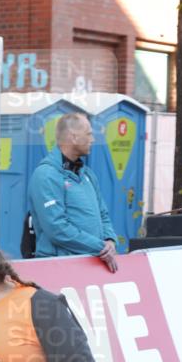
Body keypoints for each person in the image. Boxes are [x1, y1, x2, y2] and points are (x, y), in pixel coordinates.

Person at [28, 112, 118, 273]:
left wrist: (110, 240)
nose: (93, 140)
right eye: (89, 134)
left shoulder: (88, 174)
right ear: (73, 137)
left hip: (91, 263)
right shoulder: (46, 175)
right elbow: (56, 228)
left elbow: (103, 214)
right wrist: (100, 247)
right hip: (59, 269)